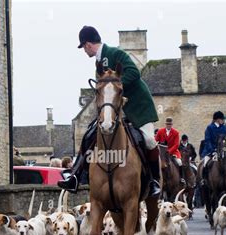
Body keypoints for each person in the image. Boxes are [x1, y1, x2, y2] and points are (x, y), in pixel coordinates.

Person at [58, 26, 160, 197]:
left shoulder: (114, 53)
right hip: (114, 111)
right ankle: (75, 176)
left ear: (88, 45)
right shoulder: (98, 64)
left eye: (83, 47)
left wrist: (116, 86)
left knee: (149, 140)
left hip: (137, 106)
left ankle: (154, 181)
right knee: (89, 135)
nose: (84, 50)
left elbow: (134, 72)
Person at [200, 111, 226, 184]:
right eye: (222, 119)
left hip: (222, 150)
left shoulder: (224, 128)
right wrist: (213, 150)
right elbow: (207, 141)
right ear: (217, 120)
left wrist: (224, 149)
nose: (223, 121)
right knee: (205, 164)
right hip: (210, 151)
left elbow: (225, 140)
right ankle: (203, 180)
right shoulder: (209, 128)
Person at [155, 117, 185, 183]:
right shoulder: (160, 131)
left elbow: (176, 145)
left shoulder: (176, 133)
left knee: (179, 162)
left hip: (173, 152)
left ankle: (181, 178)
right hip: (162, 153)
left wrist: (169, 151)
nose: (168, 125)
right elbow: (156, 140)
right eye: (167, 124)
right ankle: (155, 178)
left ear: (172, 125)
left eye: (170, 124)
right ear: (165, 124)